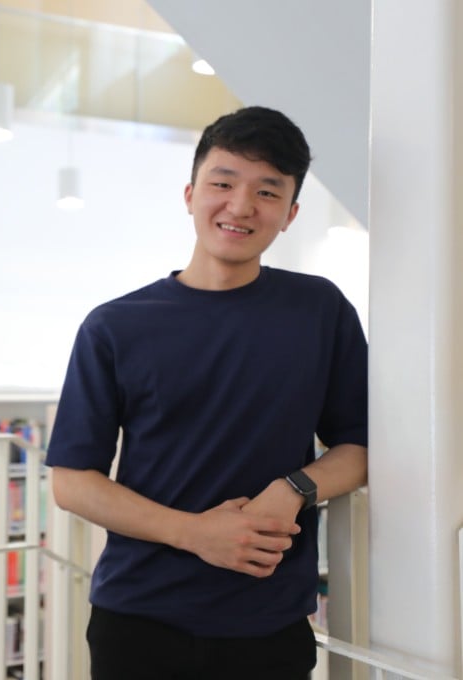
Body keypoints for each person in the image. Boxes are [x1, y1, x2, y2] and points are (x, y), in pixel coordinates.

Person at [46, 106, 367, 680]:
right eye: (224, 183)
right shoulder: (115, 326)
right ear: (191, 193)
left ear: (290, 214)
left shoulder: (320, 311)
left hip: (270, 624)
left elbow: (361, 447)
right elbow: (72, 481)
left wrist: (295, 487)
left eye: (267, 192)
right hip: (139, 619)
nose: (241, 206)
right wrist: (196, 534)